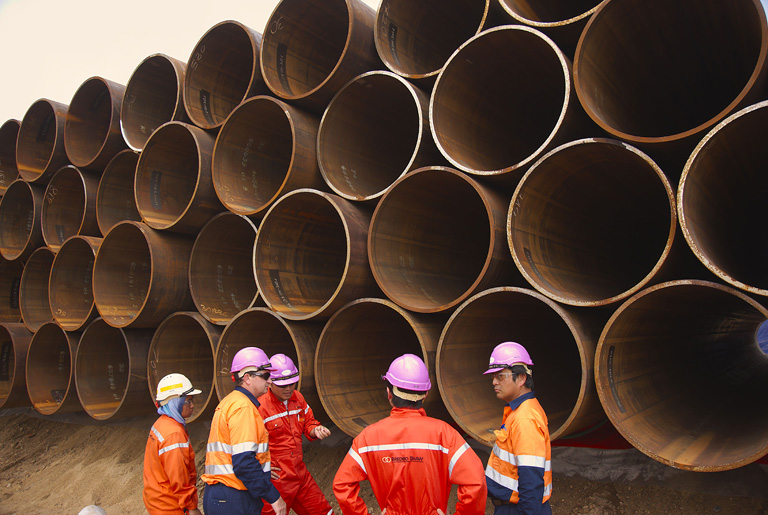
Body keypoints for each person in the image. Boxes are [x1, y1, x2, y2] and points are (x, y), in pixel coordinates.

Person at [333, 353, 487, 515]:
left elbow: (342, 485)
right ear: (425, 395)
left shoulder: (367, 438)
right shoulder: (445, 434)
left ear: (389, 393)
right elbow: (475, 481)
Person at [202, 347, 287, 515]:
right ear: (247, 378)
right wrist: (273, 497)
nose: (270, 381)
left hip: (222, 495)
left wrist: (262, 472)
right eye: (265, 376)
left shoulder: (230, 402)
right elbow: (244, 462)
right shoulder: (243, 408)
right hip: (234, 497)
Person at [258, 353, 334, 515]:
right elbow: (249, 443)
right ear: (270, 382)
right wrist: (261, 467)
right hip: (276, 480)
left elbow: (308, 422)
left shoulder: (298, 398)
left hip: (299, 474)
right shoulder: (260, 406)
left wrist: (315, 430)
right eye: (283, 385)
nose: (288, 389)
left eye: (292, 383)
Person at [484, 342, 552, 515]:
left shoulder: (525, 419)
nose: (494, 382)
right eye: (493, 377)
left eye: (500, 376)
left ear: (521, 378)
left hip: (516, 509)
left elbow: (531, 480)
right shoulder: (519, 412)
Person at [142, 372, 203, 515]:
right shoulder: (174, 434)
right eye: (188, 401)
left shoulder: (161, 424)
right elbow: (179, 477)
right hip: (170, 507)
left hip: (158, 501)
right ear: (176, 402)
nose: (192, 405)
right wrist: (191, 507)